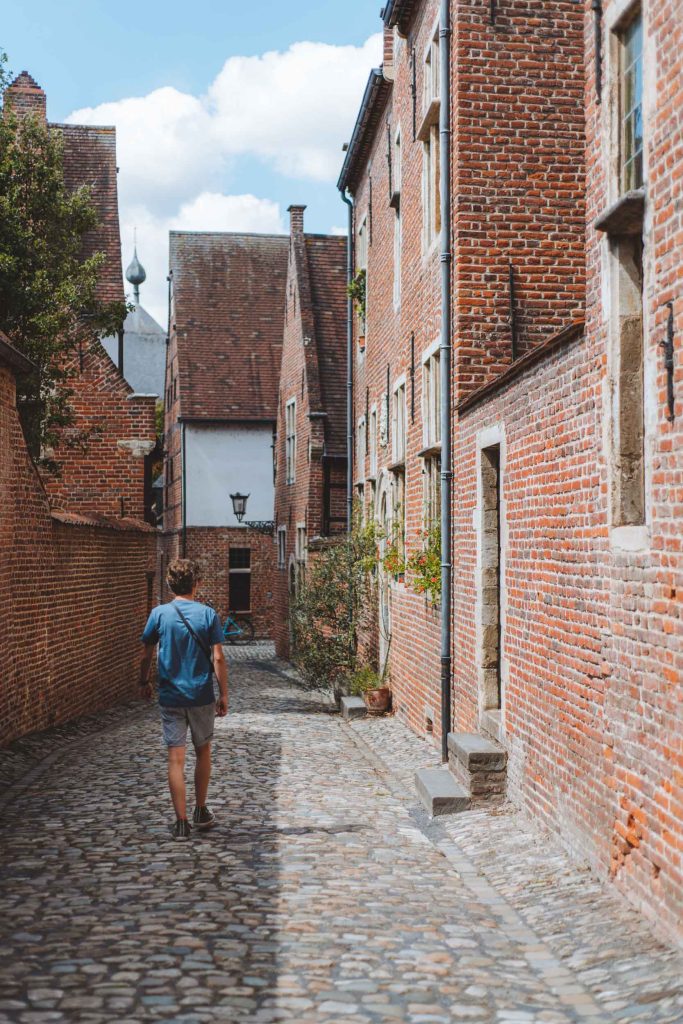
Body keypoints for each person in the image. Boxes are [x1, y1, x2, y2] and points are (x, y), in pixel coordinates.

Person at [140, 558, 229, 841]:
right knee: (203, 751)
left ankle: (180, 822)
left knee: (175, 759)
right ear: (197, 584)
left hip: (170, 695)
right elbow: (218, 657)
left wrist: (143, 682)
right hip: (201, 694)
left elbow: (146, 653)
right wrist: (223, 693)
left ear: (169, 584)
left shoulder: (159, 614)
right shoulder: (208, 615)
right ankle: (200, 810)